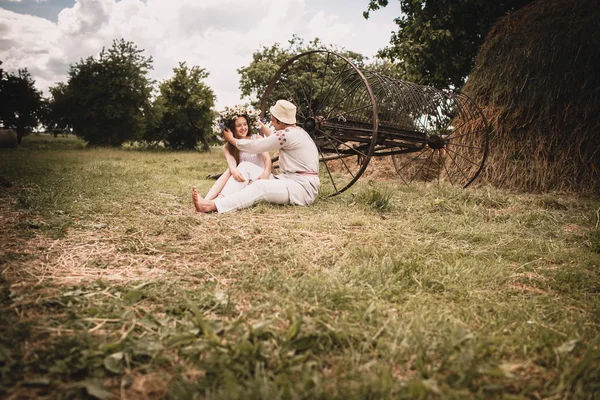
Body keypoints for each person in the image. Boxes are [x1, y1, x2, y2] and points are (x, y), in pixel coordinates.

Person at [193, 99, 320, 213]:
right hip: (289, 181)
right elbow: (273, 138)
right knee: (245, 166)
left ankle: (212, 206)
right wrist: (260, 124)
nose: (271, 121)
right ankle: (221, 199)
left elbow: (255, 146)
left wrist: (231, 139)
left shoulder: (287, 135)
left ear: (280, 121)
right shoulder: (294, 132)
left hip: (302, 188)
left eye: (273, 118)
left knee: (260, 186)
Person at [204, 109, 272, 200]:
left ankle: (217, 200)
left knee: (239, 169)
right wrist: (233, 170)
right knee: (230, 170)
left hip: (260, 176)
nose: (243, 128)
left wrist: (266, 174)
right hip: (243, 178)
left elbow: (267, 159)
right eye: (239, 126)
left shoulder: (257, 138)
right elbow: (231, 162)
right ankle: (207, 200)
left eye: (245, 124)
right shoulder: (228, 147)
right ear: (231, 129)